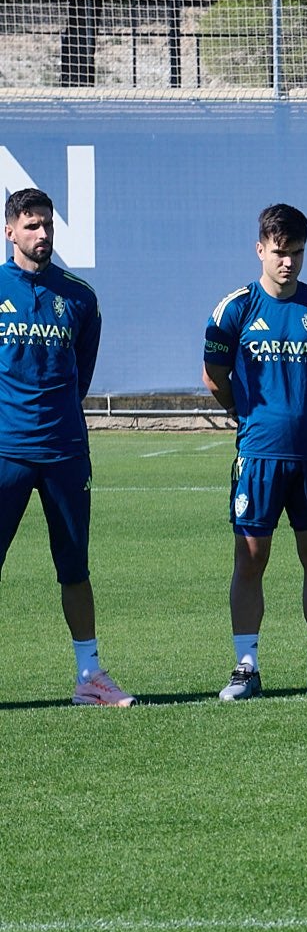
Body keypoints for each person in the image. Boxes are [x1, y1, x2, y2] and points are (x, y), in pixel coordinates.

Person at [203, 202, 307, 699]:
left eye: (295, 252)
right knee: (250, 557)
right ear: (260, 250)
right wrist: (248, 415)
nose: (287, 261)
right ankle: (246, 668)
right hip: (259, 454)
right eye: (278, 252)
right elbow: (214, 378)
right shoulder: (235, 308)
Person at [0, 187, 131, 706]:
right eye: (31, 226)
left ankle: (89, 677)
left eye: (48, 225)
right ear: (10, 230)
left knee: (74, 567)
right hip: (5, 451)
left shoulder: (79, 297)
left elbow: (80, 374)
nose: (43, 235)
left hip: (64, 452)